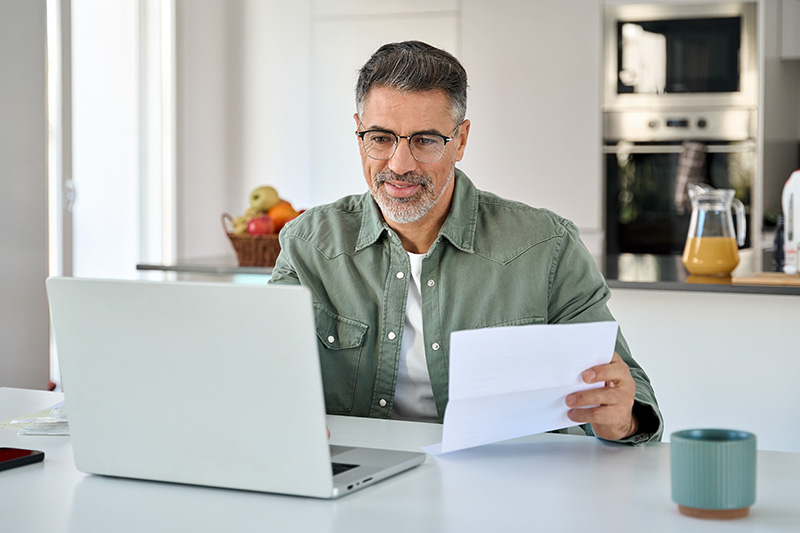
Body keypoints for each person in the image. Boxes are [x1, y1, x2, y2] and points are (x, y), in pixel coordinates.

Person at [270, 40, 663, 444]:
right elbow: (262, 372)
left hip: (506, 487)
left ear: (459, 141)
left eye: (425, 140)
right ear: (359, 134)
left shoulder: (548, 247)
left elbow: (631, 398)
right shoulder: (307, 245)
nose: (400, 165)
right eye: (381, 138)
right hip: (356, 481)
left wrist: (622, 420)